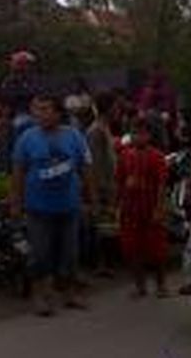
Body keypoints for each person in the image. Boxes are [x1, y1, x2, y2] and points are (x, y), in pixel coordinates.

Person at [12, 94, 94, 317]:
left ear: (59, 113)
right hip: (38, 208)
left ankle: (69, 295)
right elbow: (18, 172)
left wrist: (90, 199)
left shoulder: (74, 136)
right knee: (40, 255)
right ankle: (41, 297)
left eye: (47, 109)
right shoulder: (27, 138)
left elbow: (85, 168)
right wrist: (16, 204)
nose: (42, 114)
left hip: (69, 206)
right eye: (39, 110)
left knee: (70, 255)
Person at [116, 118, 170, 298]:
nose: (137, 137)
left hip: (151, 205)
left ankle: (161, 284)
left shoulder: (157, 156)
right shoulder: (124, 155)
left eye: (141, 133)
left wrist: (159, 208)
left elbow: (162, 184)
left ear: (149, 136)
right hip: (130, 208)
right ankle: (140, 286)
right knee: (132, 249)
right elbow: (120, 181)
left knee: (157, 249)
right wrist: (119, 204)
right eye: (134, 133)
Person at [86, 93, 119, 277]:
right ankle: (100, 264)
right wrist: (100, 188)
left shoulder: (104, 128)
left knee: (108, 226)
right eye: (115, 107)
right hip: (102, 185)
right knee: (101, 226)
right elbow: (95, 163)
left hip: (109, 183)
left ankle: (105, 263)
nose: (118, 110)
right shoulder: (96, 131)